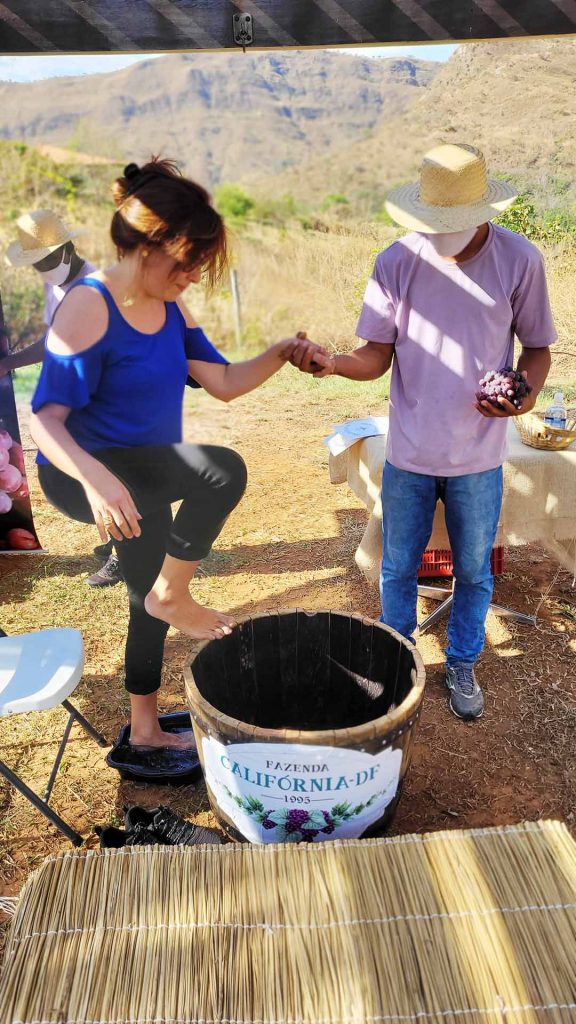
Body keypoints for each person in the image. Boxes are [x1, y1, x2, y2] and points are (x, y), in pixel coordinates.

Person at [29, 158, 324, 750]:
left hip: (143, 469)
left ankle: (145, 722)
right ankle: (170, 607)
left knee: (149, 592)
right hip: (85, 472)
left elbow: (222, 380)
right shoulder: (88, 305)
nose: (193, 276)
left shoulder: (171, 308)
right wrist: (95, 481)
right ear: (149, 245)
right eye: (188, 262)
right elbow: (44, 418)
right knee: (216, 476)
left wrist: (279, 351)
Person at [293, 143, 556, 721]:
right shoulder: (395, 262)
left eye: (457, 224)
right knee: (398, 565)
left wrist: (521, 395)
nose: (445, 235)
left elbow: (536, 348)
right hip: (409, 452)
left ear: (483, 211)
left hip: (479, 456)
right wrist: (333, 363)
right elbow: (375, 356)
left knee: (472, 569)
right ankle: (399, 656)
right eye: (436, 224)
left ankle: (461, 661)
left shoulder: (519, 260)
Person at [3, 209, 121, 588]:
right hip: (74, 393)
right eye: (37, 262)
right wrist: (12, 361)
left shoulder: (93, 288)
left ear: (69, 250)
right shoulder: (55, 284)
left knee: (109, 470)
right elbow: (54, 340)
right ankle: (124, 533)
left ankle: (127, 552)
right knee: (68, 474)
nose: (43, 268)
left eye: (49, 259)